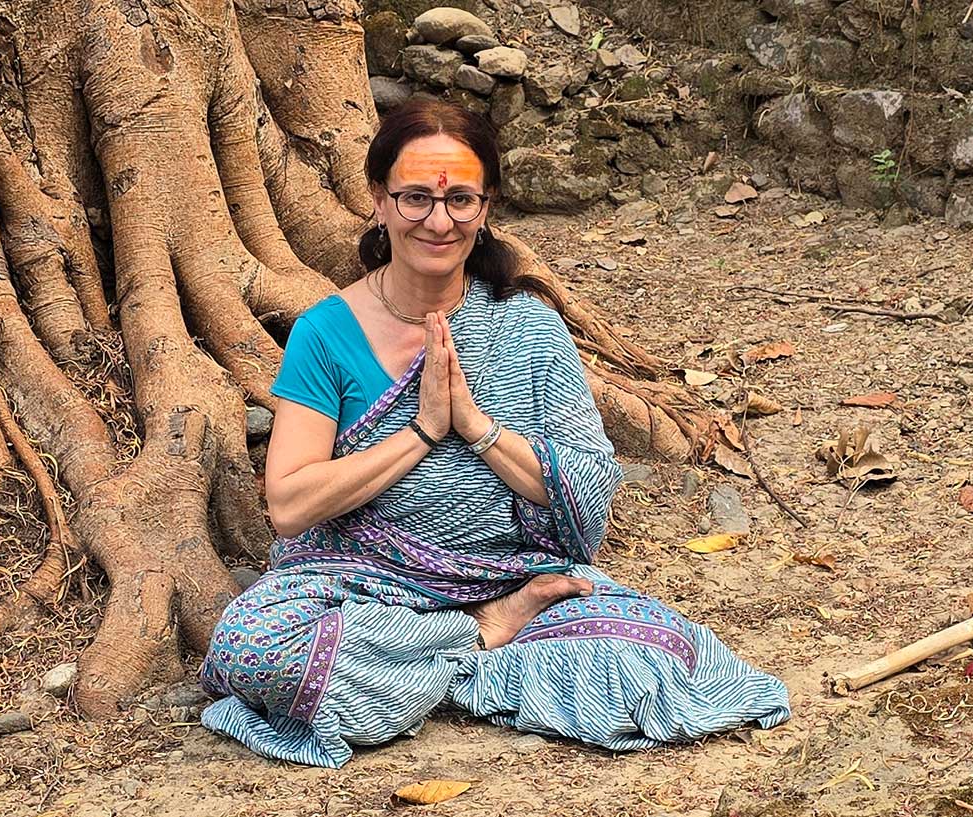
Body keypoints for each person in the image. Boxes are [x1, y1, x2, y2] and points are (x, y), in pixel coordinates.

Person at [197, 99, 789, 766]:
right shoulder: (325, 333)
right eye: (415, 198)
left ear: (486, 207)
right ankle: (477, 641)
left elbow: (589, 487)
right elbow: (290, 505)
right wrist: (422, 431)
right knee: (254, 646)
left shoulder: (528, 328)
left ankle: (415, 675)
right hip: (360, 587)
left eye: (460, 201)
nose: (438, 220)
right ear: (378, 201)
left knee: (662, 661)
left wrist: (476, 427)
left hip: (511, 576)